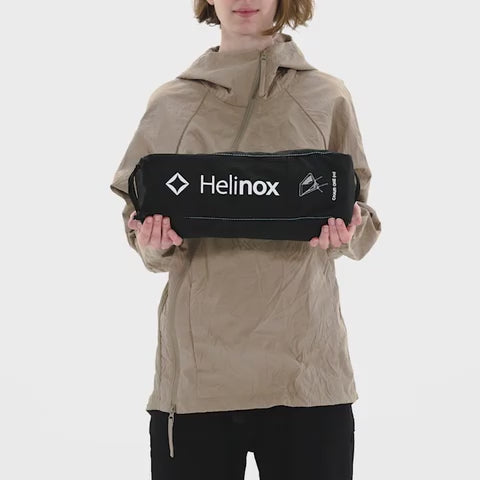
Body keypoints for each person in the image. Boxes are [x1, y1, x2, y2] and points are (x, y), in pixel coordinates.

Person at [109, 0, 382, 478]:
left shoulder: (326, 96)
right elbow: (140, 229)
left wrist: (346, 233)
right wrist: (152, 242)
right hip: (198, 383)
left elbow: (364, 222)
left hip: (307, 376)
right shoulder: (172, 103)